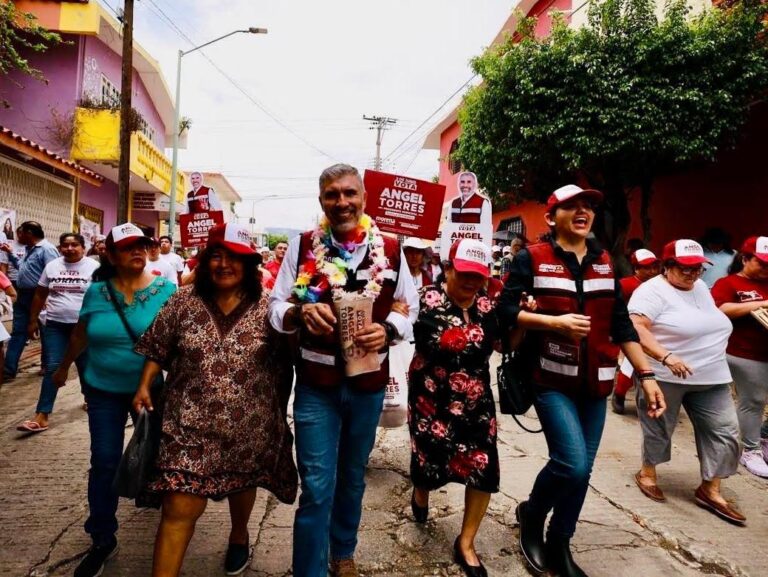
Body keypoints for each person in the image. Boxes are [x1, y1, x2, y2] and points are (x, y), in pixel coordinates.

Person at [497, 184, 665, 577]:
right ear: (551, 217)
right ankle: (532, 516)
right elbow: (504, 311)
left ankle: (560, 541)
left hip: (597, 383)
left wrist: (646, 375)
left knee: (584, 470)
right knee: (571, 464)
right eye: (571, 206)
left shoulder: (604, 260)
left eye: (588, 206)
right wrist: (551, 322)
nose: (582, 211)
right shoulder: (531, 258)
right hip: (550, 379)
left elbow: (621, 324)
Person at [268, 163, 418, 577]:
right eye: (332, 194)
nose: (342, 202)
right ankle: (309, 571)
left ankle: (343, 551)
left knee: (352, 477)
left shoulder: (391, 248)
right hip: (316, 388)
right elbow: (275, 307)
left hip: (369, 387)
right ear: (321, 201)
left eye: (350, 193)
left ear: (364, 198)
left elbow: (410, 307)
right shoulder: (302, 246)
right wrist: (299, 313)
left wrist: (389, 329)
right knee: (317, 487)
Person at [132, 223, 297, 577]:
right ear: (205, 261)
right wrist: (144, 384)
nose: (224, 265)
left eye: (235, 257)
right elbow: (157, 346)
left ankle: (239, 534)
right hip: (186, 426)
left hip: (248, 427)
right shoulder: (182, 301)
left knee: (242, 484)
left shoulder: (270, 308)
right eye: (216, 256)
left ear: (250, 265)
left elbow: (289, 364)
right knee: (178, 507)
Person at [52, 223, 175, 577]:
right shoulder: (96, 291)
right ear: (111, 254)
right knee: (104, 461)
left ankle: (168, 522)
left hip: (149, 392)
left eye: (142, 245)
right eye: (127, 247)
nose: (137, 251)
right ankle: (102, 537)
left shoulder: (167, 291)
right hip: (102, 389)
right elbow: (80, 334)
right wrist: (63, 369)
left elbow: (175, 344)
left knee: (156, 456)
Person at [629, 239, 744, 525]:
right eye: (685, 268)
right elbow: (636, 328)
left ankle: (710, 488)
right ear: (666, 266)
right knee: (659, 427)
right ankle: (648, 472)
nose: (693, 274)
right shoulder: (650, 291)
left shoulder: (701, 287)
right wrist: (666, 356)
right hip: (666, 375)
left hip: (712, 375)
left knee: (726, 430)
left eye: (698, 268)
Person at [408, 239, 500, 577]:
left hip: (477, 401)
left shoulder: (489, 306)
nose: (471, 282)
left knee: (484, 468)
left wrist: (521, 320)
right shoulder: (422, 301)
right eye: (464, 274)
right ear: (447, 269)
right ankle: (421, 492)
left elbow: (504, 343)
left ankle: (466, 542)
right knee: (429, 464)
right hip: (431, 400)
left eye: (478, 275)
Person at [16, 233, 99, 433]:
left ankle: (90, 399)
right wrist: (33, 320)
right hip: (55, 325)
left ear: (83, 247)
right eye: (65, 245)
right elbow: (40, 293)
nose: (69, 249)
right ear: (60, 247)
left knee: (85, 365)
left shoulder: (94, 267)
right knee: (53, 367)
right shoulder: (52, 266)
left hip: (85, 327)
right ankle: (42, 415)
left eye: (74, 245)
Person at [711, 236, 768, 478]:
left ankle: (763, 438)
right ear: (745, 259)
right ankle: (750, 450)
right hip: (744, 353)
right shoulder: (729, 283)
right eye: (762, 263)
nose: (766, 268)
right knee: (753, 401)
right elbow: (720, 309)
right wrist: (761, 304)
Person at [1, 221, 59, 379]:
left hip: (40, 295)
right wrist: (11, 254)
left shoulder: (47, 249)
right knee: (18, 331)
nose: (18, 237)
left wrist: (48, 296)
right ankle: (8, 370)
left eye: (20, 233)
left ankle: (48, 365)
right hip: (23, 295)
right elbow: (22, 267)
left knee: (45, 332)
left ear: (29, 233)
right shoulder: (29, 249)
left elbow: (54, 274)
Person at [612, 249, 661, 414]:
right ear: (636, 268)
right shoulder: (625, 284)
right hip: (631, 330)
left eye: (654, 267)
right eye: (647, 267)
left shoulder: (661, 285)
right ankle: (619, 395)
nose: (652, 271)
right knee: (630, 363)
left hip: (655, 329)